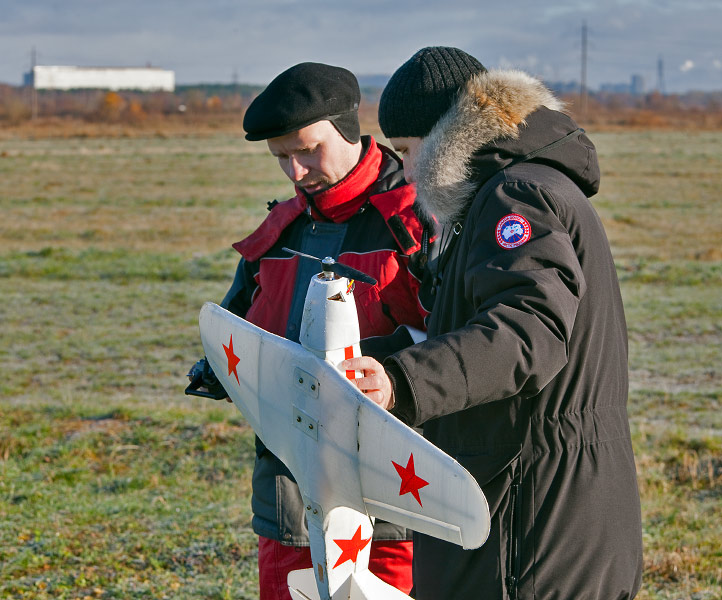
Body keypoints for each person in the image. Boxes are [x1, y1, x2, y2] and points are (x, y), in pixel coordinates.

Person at [343, 47, 644, 599]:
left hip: (533, 516)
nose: (405, 171)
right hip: (542, 497)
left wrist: (404, 380)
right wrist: (381, 356)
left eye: (407, 150)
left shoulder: (515, 197)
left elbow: (524, 335)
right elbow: (473, 325)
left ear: (445, 136)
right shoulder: (507, 192)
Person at [201, 62, 435, 599]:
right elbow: (237, 327)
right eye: (281, 157)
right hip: (289, 492)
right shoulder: (279, 232)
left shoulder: (418, 220)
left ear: (348, 129)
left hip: (398, 494)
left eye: (308, 151)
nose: (296, 171)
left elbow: (458, 345)